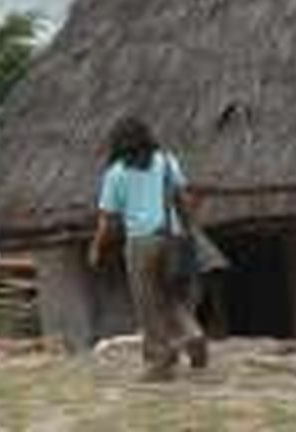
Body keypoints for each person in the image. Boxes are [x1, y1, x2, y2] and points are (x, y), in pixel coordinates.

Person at [88, 117, 208, 382]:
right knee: (171, 296)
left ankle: (160, 363)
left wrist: (96, 247)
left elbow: (107, 218)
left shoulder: (116, 172)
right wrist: (191, 231)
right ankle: (193, 333)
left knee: (148, 303)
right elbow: (182, 198)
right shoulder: (167, 161)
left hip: (141, 243)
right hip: (172, 236)